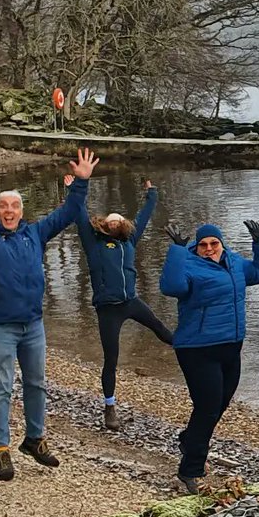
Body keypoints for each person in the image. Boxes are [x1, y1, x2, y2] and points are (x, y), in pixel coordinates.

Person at [0, 140, 98, 481]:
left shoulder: (35, 233)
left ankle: (34, 440)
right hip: (0, 326)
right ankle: (1, 449)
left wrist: (81, 182)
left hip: (33, 325)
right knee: (2, 386)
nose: (9, 211)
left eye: (14, 206)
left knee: (37, 384)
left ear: (22, 212)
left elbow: (68, 214)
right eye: (3, 207)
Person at [160, 218, 259, 493]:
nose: (209, 248)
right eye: (203, 245)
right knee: (208, 407)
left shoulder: (235, 263)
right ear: (196, 247)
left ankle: (189, 439)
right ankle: (190, 469)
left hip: (231, 347)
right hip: (197, 349)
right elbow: (171, 287)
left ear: (222, 244)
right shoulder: (188, 265)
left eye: (214, 243)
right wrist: (176, 250)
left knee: (220, 402)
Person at [72, 175, 173, 431]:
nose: (115, 222)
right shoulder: (93, 243)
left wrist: (152, 193)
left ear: (124, 225)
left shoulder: (129, 240)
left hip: (131, 301)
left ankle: (192, 350)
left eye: (119, 220)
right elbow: (79, 213)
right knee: (111, 359)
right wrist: (73, 188)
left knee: (161, 329)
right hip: (108, 310)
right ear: (104, 225)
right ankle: (109, 407)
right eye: (111, 220)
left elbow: (146, 213)